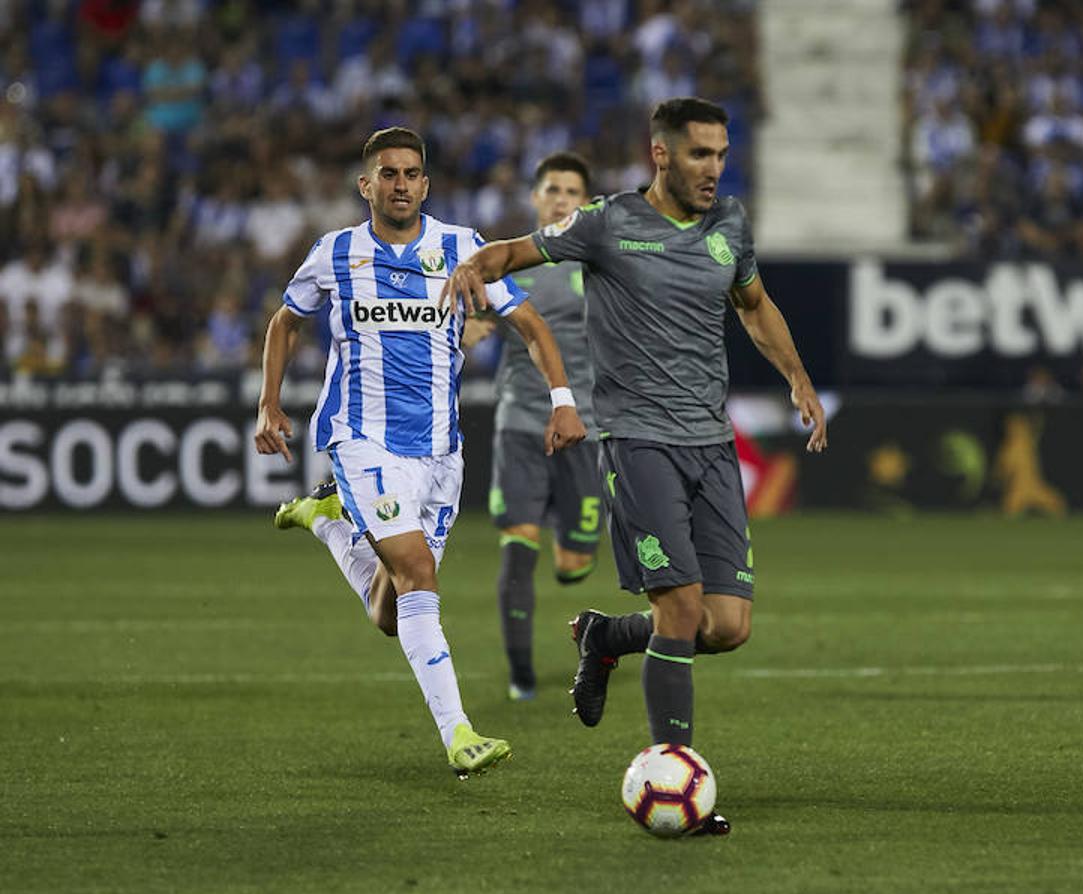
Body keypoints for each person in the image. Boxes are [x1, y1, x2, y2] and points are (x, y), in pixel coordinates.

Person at [441, 98, 828, 832]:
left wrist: (797, 378)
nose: (714, 169)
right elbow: (511, 254)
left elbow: (755, 305)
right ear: (662, 155)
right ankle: (670, 772)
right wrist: (474, 269)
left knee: (727, 625)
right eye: (700, 155)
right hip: (636, 441)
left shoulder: (729, 227)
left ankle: (604, 636)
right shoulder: (608, 222)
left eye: (720, 154)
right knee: (680, 610)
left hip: (710, 446)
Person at [253, 126, 586, 780]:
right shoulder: (336, 253)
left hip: (440, 453)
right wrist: (270, 403)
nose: (400, 183)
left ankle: (326, 523)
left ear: (425, 185)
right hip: (362, 440)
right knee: (419, 577)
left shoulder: (462, 249)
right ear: (366, 184)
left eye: (411, 173)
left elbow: (528, 323)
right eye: (389, 173)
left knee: (390, 608)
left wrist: (563, 399)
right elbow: (286, 320)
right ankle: (458, 733)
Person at [461, 152, 604, 702]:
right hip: (521, 421)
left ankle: (568, 547)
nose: (562, 197)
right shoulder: (511, 261)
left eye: (573, 190)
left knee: (574, 566)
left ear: (586, 203)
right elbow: (477, 314)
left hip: (585, 430)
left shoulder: (601, 266)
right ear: (536, 198)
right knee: (517, 548)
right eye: (552, 189)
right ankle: (521, 676)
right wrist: (472, 330)